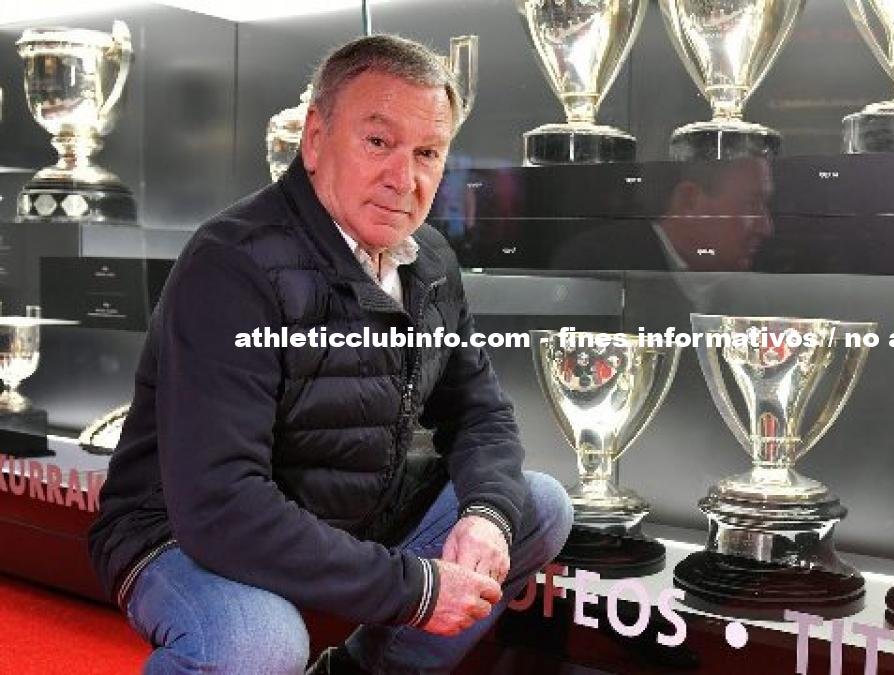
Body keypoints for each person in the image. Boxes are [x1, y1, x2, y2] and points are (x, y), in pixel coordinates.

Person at [87, 34, 573, 674]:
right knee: (257, 645)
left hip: (353, 510)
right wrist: (415, 589)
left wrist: (487, 517)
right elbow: (220, 505)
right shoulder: (231, 263)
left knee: (534, 506)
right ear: (314, 139)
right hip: (180, 529)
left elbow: (480, 414)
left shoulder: (430, 259)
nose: (404, 178)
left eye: (427, 152)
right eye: (378, 142)